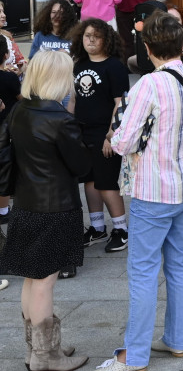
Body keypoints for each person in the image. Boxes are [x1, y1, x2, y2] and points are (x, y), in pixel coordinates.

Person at [89, 12, 183, 371]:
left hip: (155, 189)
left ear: (148, 48)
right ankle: (176, 338)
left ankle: (135, 354)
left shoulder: (148, 85)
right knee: (178, 263)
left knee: (142, 271)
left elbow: (124, 141)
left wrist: (117, 135)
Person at [0, 50, 90, 371]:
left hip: (24, 204)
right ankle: (44, 356)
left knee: (31, 278)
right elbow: (80, 166)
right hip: (55, 207)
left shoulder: (20, 110)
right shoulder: (60, 119)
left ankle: (38, 348)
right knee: (44, 282)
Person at [71, 19, 130, 255]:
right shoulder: (79, 65)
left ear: (107, 39)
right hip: (82, 132)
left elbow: (120, 103)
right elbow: (74, 99)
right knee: (90, 182)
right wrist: (67, 127)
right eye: (87, 36)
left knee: (107, 184)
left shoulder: (114, 67)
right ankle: (97, 227)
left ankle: (121, 229)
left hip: (104, 132)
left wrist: (111, 134)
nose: (91, 40)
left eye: (96, 36)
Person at [0, 35, 20, 225]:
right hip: (6, 131)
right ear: (6, 55)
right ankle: (4, 210)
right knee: (4, 170)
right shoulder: (9, 77)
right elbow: (21, 97)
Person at [0, 0, 26, 74]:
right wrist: (3, 69)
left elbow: (20, 59)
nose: (3, 15)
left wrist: (20, 69)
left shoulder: (7, 35)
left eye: (3, 11)